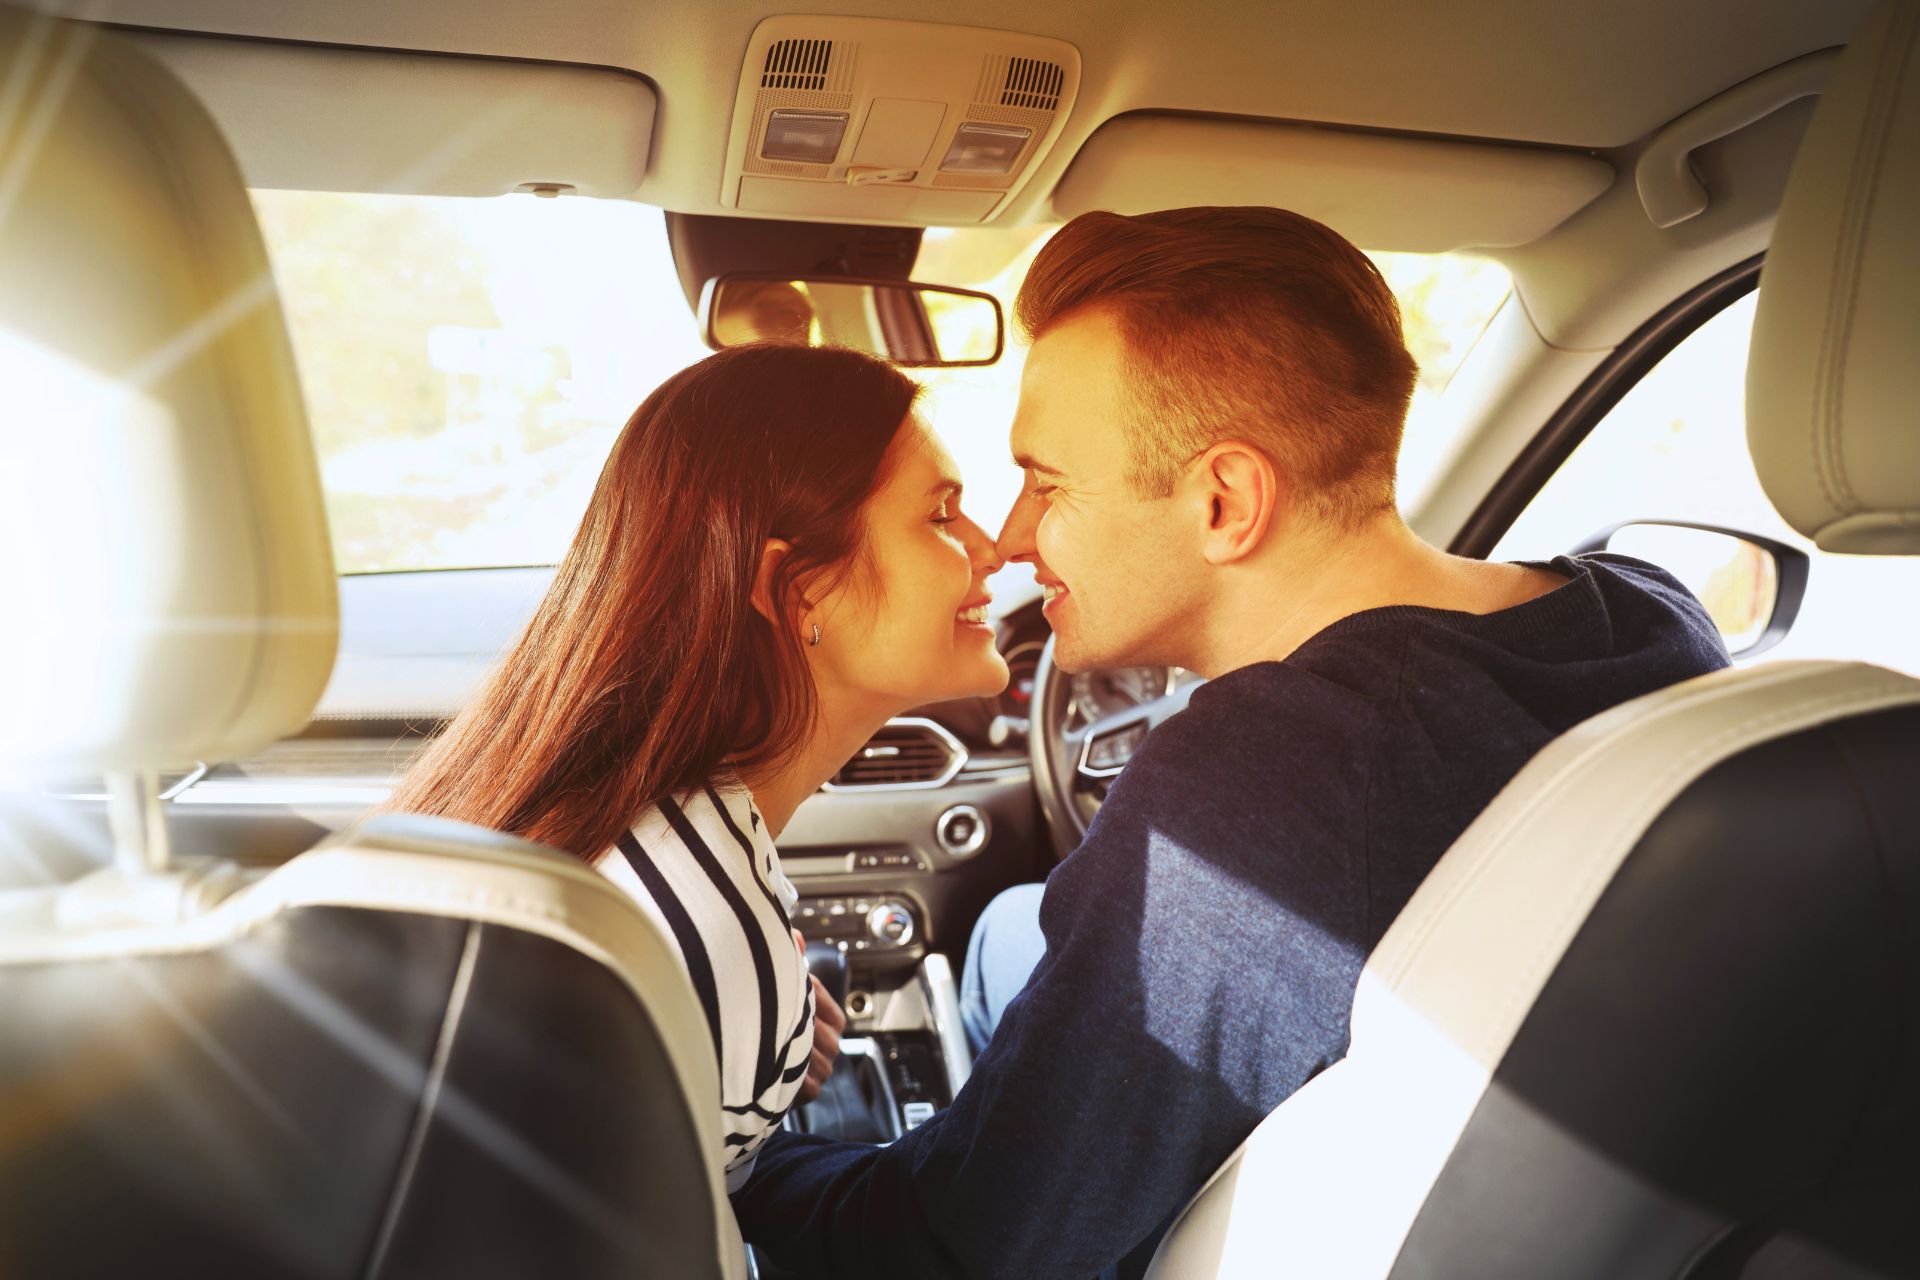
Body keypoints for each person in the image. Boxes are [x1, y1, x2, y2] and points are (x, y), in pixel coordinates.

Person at [732, 207, 1732, 1276]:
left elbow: (961, 1245)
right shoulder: (1648, 613)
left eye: (1049, 484)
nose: (1015, 537)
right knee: (1016, 932)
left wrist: (749, 1160)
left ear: (1225, 500)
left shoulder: (1264, 782)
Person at [385, 343, 1008, 1190]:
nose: (993, 549)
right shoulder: (711, 938)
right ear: (798, 590)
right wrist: (764, 1042)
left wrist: (771, 1033)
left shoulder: (633, 830)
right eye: (941, 516)